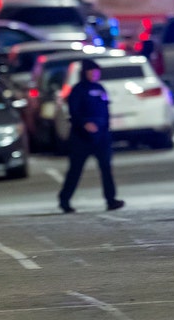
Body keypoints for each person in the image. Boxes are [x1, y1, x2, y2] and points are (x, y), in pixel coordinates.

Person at [58, 59, 125, 213]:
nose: (95, 75)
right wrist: (84, 124)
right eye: (91, 72)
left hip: (101, 137)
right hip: (81, 138)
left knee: (106, 169)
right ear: (84, 73)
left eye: (97, 72)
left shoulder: (100, 88)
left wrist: (106, 130)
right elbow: (74, 112)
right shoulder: (78, 90)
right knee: (75, 170)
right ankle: (64, 200)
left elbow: (106, 110)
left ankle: (111, 199)